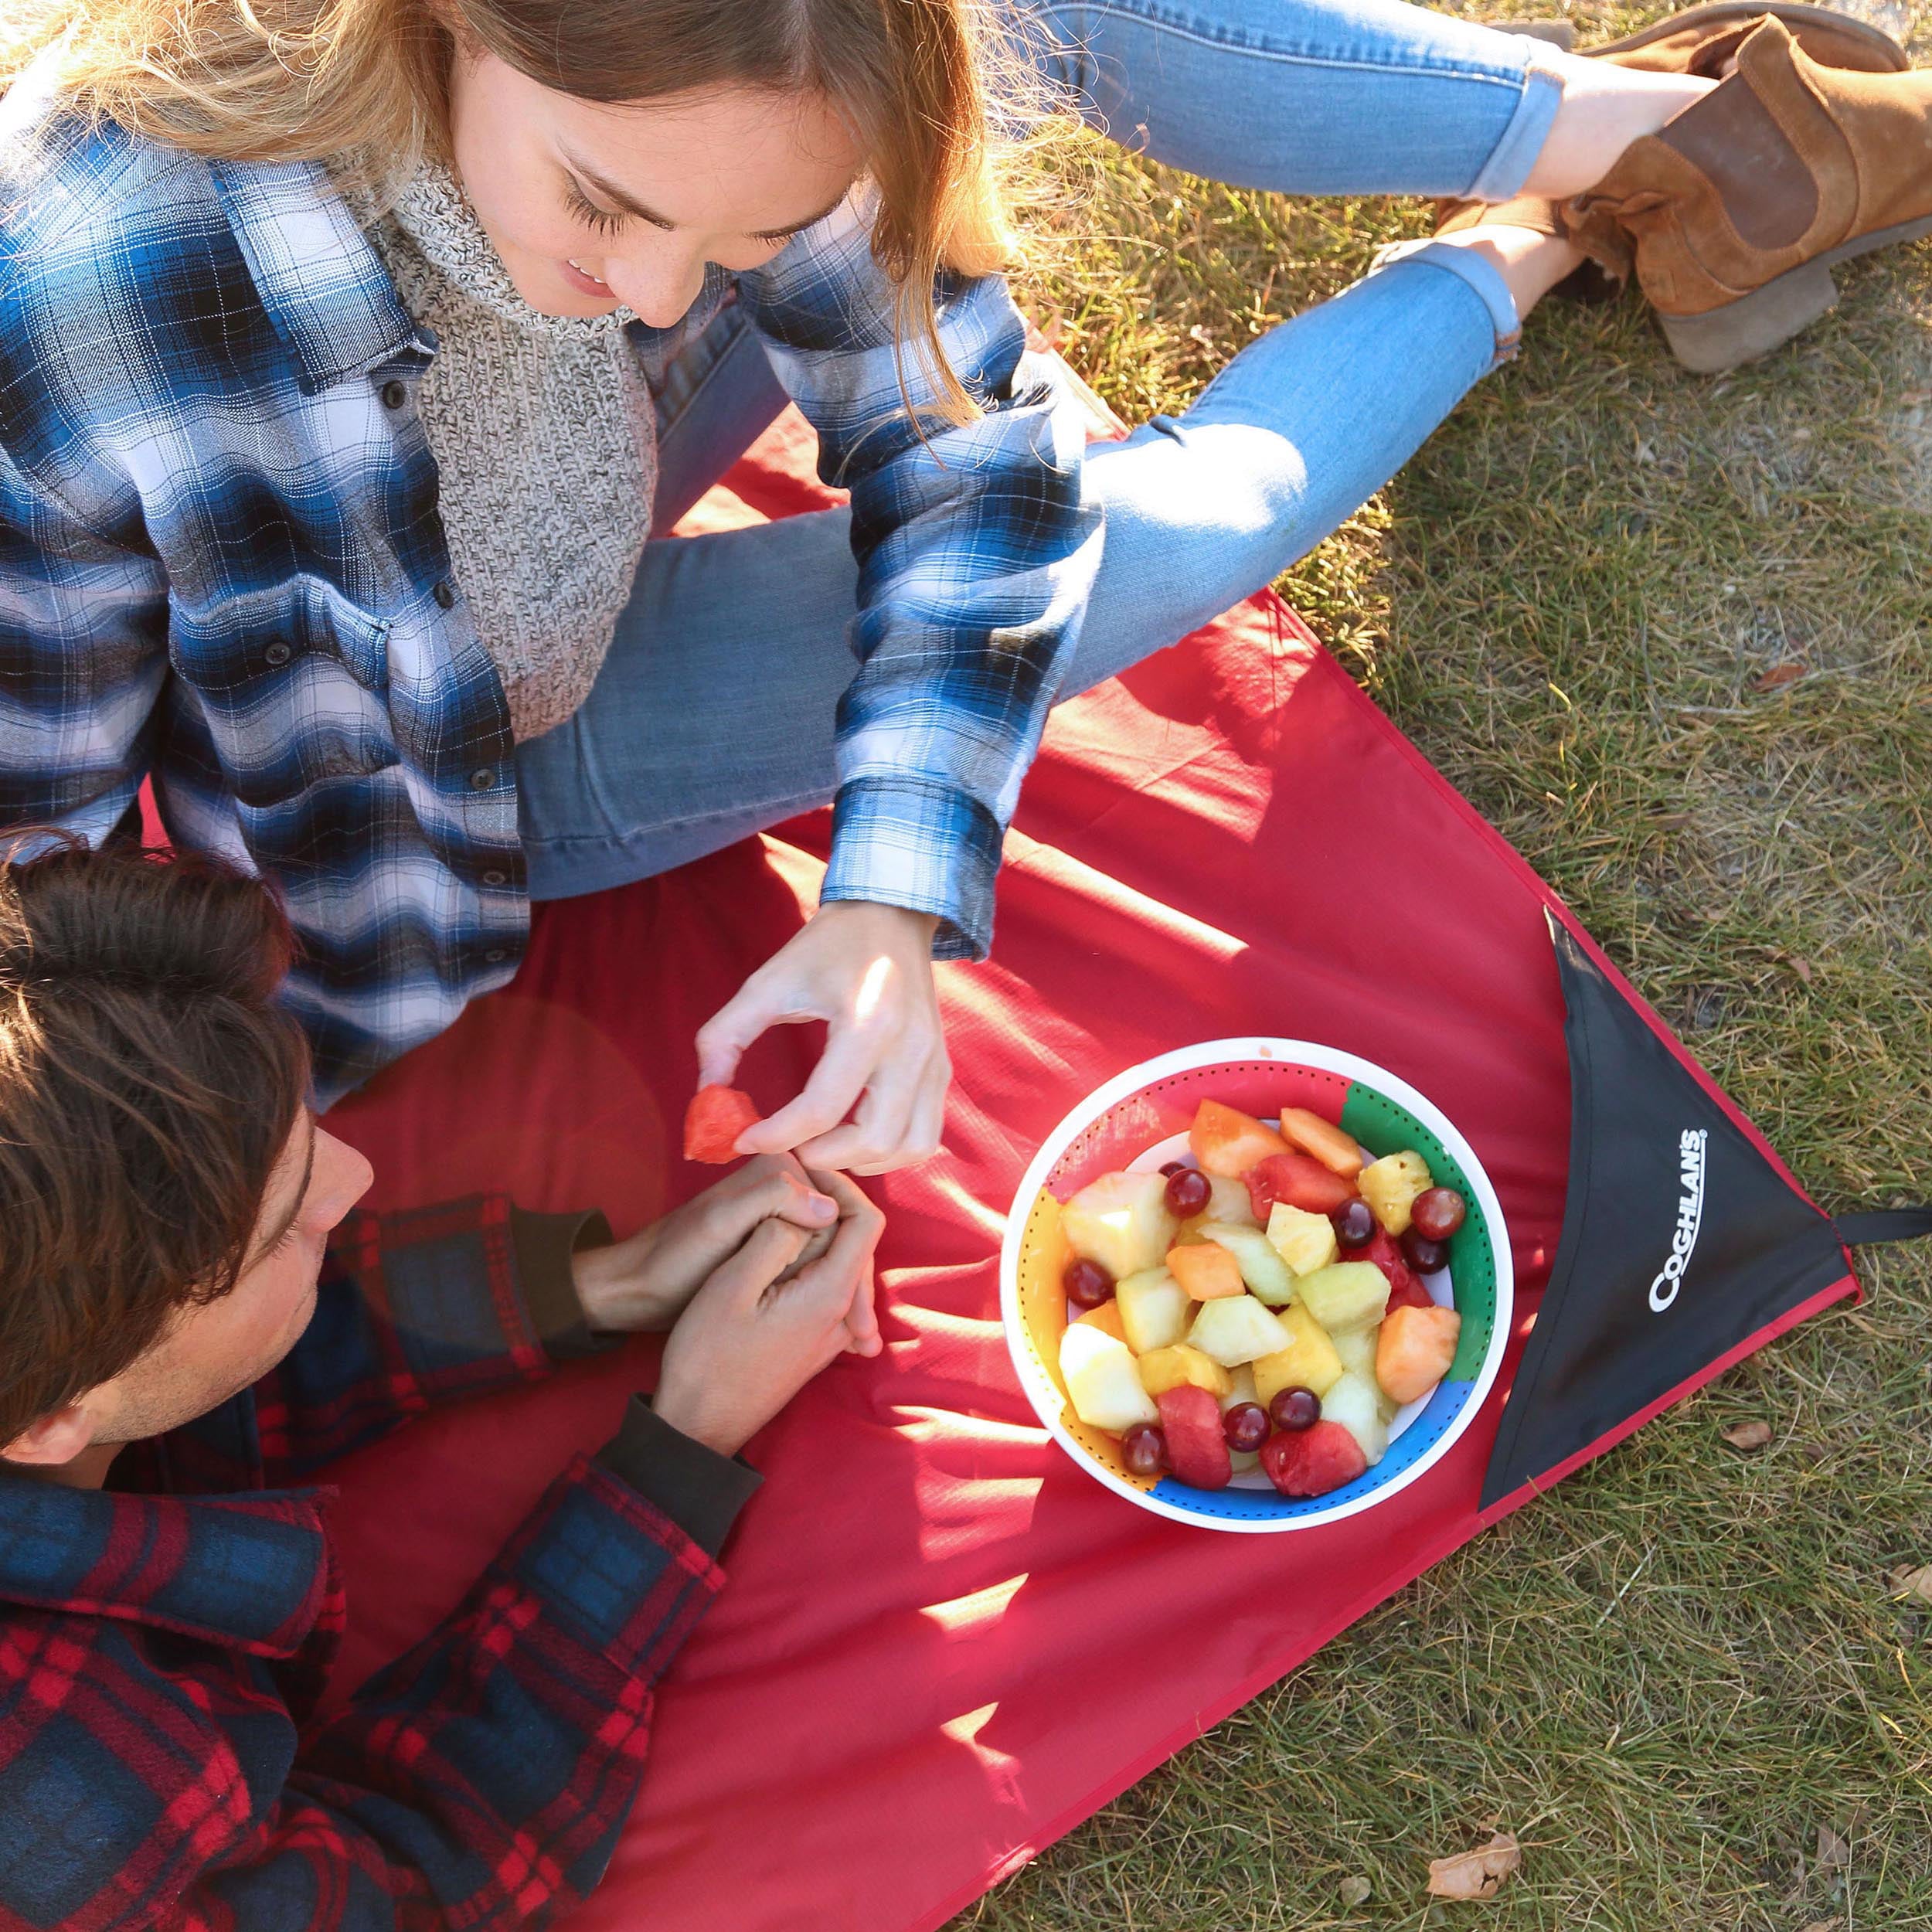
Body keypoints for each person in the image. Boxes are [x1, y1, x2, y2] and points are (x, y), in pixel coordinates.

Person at [0, 0, 1923, 1170]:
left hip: (568, 482)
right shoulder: (99, 288)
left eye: (742, 234)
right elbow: (45, 898)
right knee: (1186, 532)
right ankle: (1532, 244)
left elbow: (968, 460)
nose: (673, 298)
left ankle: (1663, 145)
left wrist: (895, 891)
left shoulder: (720, 98)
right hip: (466, 761)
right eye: (609, 202)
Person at [0, 836, 883, 1929]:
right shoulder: (63, 1826)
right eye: (280, 1228)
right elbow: (412, 1877)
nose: (357, 1176)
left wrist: (598, 1287)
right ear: (48, 1419)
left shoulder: (57, 1359)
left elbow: (176, 1383)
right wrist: (683, 1449)